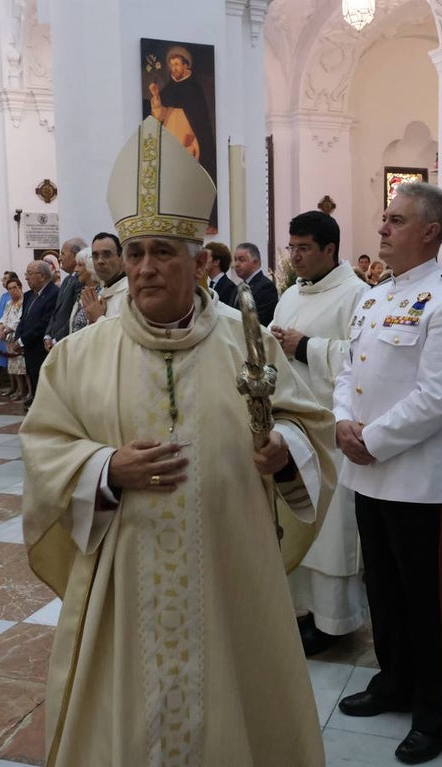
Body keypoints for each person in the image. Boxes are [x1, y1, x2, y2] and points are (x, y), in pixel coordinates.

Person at [22, 115, 336, 765]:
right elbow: (45, 447)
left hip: (230, 571)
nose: (143, 268)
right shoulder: (77, 357)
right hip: (124, 580)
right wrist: (106, 468)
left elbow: (311, 427)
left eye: (162, 252)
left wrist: (284, 451)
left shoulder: (248, 341)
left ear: (199, 263)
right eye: (134, 254)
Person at [332, 181, 442, 764]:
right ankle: (392, 680)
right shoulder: (373, 298)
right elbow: (348, 372)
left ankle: (435, 709)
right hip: (367, 471)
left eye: (396, 220)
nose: (382, 228)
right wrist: (344, 421)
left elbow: (440, 397)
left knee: (429, 602)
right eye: (384, 218)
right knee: (384, 590)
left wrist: (370, 438)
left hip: (419, 479)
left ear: (430, 232)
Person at [270, 210, 369, 657]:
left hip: (332, 431)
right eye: (291, 247)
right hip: (291, 426)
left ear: (330, 250)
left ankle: (334, 623)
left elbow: (365, 358)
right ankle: (300, 612)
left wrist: (305, 347)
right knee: (294, 520)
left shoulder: (358, 295)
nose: (295, 257)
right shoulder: (290, 294)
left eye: (304, 248)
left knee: (331, 531)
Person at [147, 47, 216, 188]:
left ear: (186, 65)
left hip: (189, 143)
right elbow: (159, 116)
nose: (174, 68)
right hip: (170, 142)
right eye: (172, 65)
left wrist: (192, 143)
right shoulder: (168, 90)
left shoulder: (194, 89)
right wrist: (156, 96)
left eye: (177, 64)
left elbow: (201, 124)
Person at [12, 260, 58, 405]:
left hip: (42, 347)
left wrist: (22, 341)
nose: (26, 278)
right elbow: (23, 319)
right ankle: (36, 403)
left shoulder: (54, 293)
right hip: (29, 348)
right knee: (33, 377)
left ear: (42, 276)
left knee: (44, 382)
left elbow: (45, 322)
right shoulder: (29, 295)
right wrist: (18, 338)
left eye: (29, 274)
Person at [43, 237, 87, 352]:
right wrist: (48, 335)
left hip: (67, 343)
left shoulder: (81, 281)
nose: (59, 257)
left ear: (76, 255)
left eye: (62, 253)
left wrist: (56, 340)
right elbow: (56, 312)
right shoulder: (67, 279)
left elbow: (74, 315)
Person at [0, 276, 28, 400]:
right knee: (13, 366)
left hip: (18, 336)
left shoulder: (25, 301)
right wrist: (0, 328)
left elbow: (19, 319)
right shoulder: (9, 303)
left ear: (20, 287)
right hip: (8, 338)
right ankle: (18, 389)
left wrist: (6, 330)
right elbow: (4, 317)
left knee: (23, 366)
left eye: (15, 287)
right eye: (10, 288)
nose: (12, 290)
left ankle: (27, 391)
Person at [83, 231, 127, 322]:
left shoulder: (130, 294)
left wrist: (97, 318)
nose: (99, 261)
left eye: (107, 255)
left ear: (121, 257)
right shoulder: (102, 293)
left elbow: (126, 335)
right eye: (95, 256)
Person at [232, 241, 278, 325]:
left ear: (255, 263)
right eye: (235, 260)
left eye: (241, 260)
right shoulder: (240, 286)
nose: (236, 264)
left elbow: (259, 321)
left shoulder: (266, 287)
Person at [0, 270, 17, 393]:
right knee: (6, 361)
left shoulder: (14, 296)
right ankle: (12, 386)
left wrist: (4, 329)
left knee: (13, 361)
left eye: (6, 278)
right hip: (0, 332)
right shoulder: (3, 296)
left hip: (10, 332)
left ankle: (19, 388)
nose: (3, 280)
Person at [65, 247, 101, 336]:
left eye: (80, 265)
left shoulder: (100, 295)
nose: (75, 269)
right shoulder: (83, 292)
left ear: (90, 267)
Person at [203, 241, 237, 306]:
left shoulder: (229, 287)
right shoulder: (209, 285)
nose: (202, 261)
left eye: (206, 258)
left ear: (216, 262)